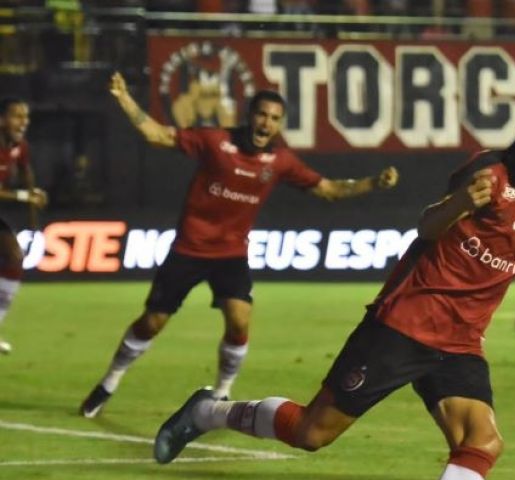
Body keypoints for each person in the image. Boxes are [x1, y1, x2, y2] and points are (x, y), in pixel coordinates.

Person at [151, 88, 515, 479]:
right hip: (403, 326)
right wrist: (461, 202)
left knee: (482, 441)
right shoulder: (488, 172)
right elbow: (427, 227)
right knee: (311, 432)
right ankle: (207, 412)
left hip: (461, 342)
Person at [79, 73, 399, 417]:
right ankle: (109, 382)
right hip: (189, 249)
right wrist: (124, 97)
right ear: (250, 115)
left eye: (274, 118)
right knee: (152, 322)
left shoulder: (280, 161)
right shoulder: (215, 141)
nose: (266, 123)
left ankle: (221, 393)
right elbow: (156, 135)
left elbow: (329, 190)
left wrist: (372, 183)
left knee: (240, 320)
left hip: (230, 254)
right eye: (262, 115)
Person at [0, 98, 48, 355]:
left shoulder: (19, 146)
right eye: (17, 116)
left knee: (15, 257)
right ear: (2, 120)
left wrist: (33, 197)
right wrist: (24, 196)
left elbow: (26, 171)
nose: (24, 122)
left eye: (25, 116)